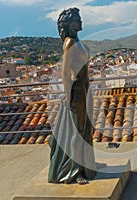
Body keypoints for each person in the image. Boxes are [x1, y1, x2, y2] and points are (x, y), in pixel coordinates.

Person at [48, 7, 96, 185]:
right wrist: (68, 97)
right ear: (68, 24)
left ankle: (85, 165)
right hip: (76, 90)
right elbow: (65, 72)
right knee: (77, 131)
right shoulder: (69, 42)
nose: (81, 21)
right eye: (77, 19)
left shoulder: (78, 41)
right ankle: (74, 172)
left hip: (84, 88)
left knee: (84, 129)